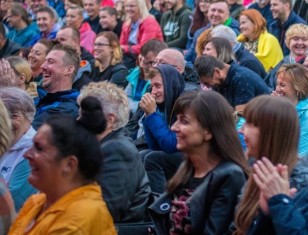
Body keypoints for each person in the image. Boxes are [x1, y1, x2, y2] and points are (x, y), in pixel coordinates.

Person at [9, 97, 116, 234]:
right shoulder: (38, 201)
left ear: (69, 164)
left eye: (39, 148)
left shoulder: (78, 220)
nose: (27, 155)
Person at [148, 90, 248, 235]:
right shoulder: (188, 168)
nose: (174, 127)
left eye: (184, 121)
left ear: (208, 132)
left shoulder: (230, 176)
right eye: (176, 119)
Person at [234, 95, 308, 234]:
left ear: (270, 132)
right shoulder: (258, 164)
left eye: (249, 124)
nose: (241, 130)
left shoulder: (302, 180)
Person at [78, 83, 152, 223]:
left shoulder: (117, 150)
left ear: (109, 120)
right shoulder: (103, 146)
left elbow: (107, 212)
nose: (78, 120)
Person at [273, 64, 308, 161]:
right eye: (277, 84)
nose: (277, 89)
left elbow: (305, 156)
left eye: (282, 85)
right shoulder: (277, 109)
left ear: (297, 88)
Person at [0, 87, 37, 211]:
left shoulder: (33, 152)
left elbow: (12, 201)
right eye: (3, 116)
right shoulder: (4, 144)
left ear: (29, 118)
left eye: (14, 116)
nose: (7, 122)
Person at [195, 56, 270, 113]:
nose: (207, 87)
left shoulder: (242, 79)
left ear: (217, 72)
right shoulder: (220, 81)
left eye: (207, 83)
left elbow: (241, 118)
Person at [32, 44, 81, 129]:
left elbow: (25, 136)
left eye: (50, 62)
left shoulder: (66, 109)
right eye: (45, 61)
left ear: (68, 70)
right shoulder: (39, 99)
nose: (42, 66)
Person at [120, 0, 163, 67]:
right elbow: (121, 43)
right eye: (127, 6)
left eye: (132, 6)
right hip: (130, 56)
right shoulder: (126, 24)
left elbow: (145, 48)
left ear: (140, 7)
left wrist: (125, 48)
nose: (128, 9)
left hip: (149, 57)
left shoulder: (149, 22)